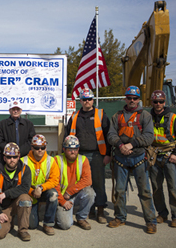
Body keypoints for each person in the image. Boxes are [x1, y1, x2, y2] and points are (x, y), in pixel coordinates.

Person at [107, 85, 157, 234]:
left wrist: (131, 144)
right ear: (125, 99)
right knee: (120, 190)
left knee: (145, 191)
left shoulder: (145, 116)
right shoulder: (117, 116)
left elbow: (149, 136)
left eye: (135, 98)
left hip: (139, 157)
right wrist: (120, 145)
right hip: (121, 158)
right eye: (129, 98)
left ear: (139, 100)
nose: (132, 100)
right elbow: (111, 135)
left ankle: (151, 221)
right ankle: (120, 217)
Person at [65, 88, 111, 224]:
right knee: (83, 184)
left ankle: (101, 210)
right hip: (79, 156)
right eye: (84, 99)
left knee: (98, 183)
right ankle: (89, 209)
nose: (87, 102)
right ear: (80, 101)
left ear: (93, 100)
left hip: (97, 155)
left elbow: (108, 136)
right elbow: (68, 136)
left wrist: (108, 154)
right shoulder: (74, 116)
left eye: (89, 99)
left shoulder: (101, 114)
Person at [148, 90, 176, 228]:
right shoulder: (147, 117)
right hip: (154, 156)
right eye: (155, 102)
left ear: (165, 102)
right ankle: (162, 214)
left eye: (161, 102)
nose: (158, 104)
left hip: (170, 156)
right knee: (156, 188)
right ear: (152, 102)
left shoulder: (173, 118)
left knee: (173, 187)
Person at [0, 142, 32, 241]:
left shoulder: (25, 170)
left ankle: (23, 230)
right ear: (4, 158)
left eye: (15, 157)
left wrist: (6, 194)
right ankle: (9, 223)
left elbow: (25, 188)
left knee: (25, 198)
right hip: (3, 207)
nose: (12, 160)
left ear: (19, 156)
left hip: (17, 204)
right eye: (9, 157)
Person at [55, 135, 95, 230]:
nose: (73, 152)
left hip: (75, 194)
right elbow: (54, 184)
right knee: (65, 225)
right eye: (70, 149)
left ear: (78, 149)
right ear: (64, 149)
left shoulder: (83, 160)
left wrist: (70, 192)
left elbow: (88, 180)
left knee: (90, 193)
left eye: (75, 149)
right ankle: (58, 214)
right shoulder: (57, 160)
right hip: (62, 196)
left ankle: (81, 218)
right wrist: (62, 201)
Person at [21, 134, 59, 236]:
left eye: (43, 147)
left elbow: (54, 180)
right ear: (32, 147)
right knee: (32, 225)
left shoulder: (51, 161)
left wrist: (41, 188)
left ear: (46, 147)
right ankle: (33, 214)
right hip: (30, 193)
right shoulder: (23, 161)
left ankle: (48, 224)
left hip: (44, 190)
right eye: (37, 148)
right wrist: (32, 191)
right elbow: (19, 182)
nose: (40, 150)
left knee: (54, 195)